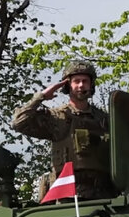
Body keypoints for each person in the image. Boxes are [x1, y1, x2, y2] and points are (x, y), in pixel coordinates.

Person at [11, 59, 115, 201]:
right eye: (76, 81)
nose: (80, 85)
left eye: (85, 81)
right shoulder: (57, 117)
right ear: (67, 85)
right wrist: (40, 97)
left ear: (91, 85)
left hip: (104, 194)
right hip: (69, 195)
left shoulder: (104, 120)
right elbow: (18, 122)